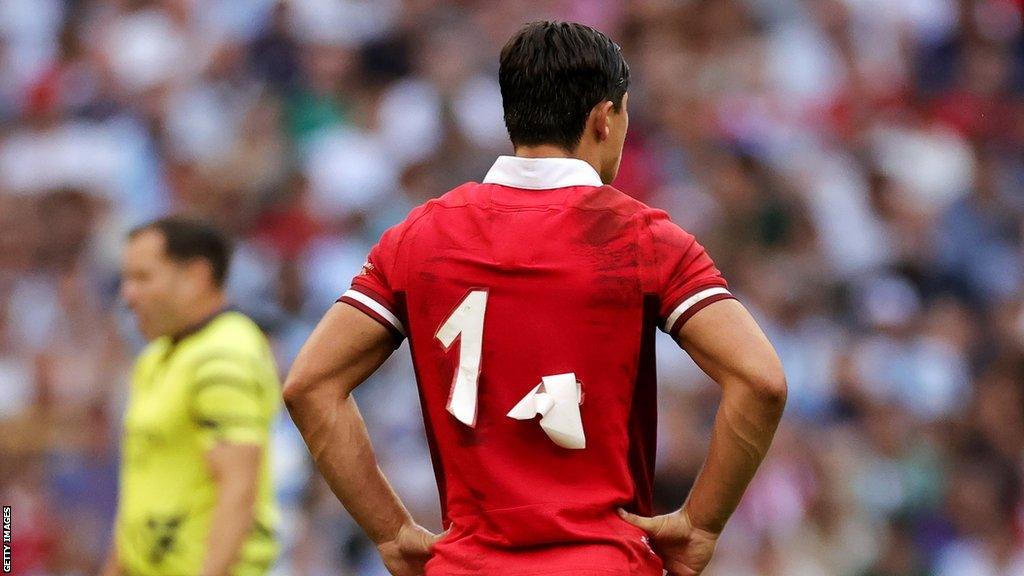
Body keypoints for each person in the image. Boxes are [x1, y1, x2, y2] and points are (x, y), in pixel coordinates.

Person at [283, 20, 787, 576]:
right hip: (603, 563)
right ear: (605, 117)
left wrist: (392, 531)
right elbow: (760, 380)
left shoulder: (418, 236)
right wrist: (702, 522)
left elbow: (311, 384)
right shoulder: (643, 238)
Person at [102, 217, 280, 576]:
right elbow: (142, 483)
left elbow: (237, 488)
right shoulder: (156, 356)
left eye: (143, 277)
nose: (127, 294)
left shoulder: (224, 355)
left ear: (196, 276)